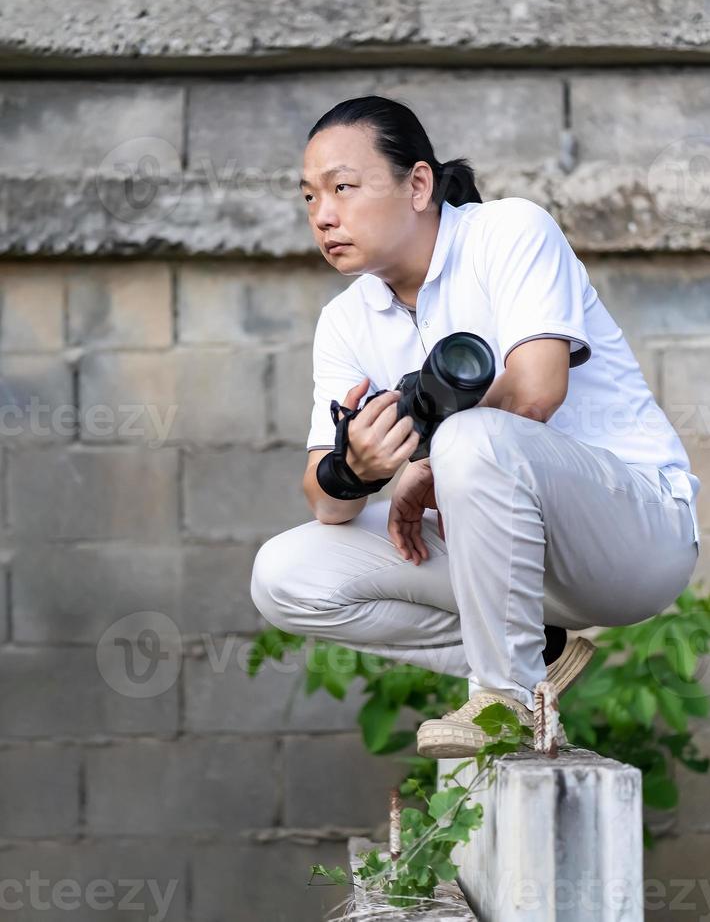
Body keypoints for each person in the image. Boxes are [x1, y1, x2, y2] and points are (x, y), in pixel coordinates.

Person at [250, 94, 701, 756]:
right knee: (284, 573)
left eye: (342, 188)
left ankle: (506, 699)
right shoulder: (346, 321)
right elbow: (324, 498)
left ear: (419, 184)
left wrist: (423, 470)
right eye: (310, 198)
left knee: (467, 439)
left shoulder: (507, 231)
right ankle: (534, 653)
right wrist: (360, 470)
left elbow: (538, 390)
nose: (324, 216)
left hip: (632, 539)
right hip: (508, 563)